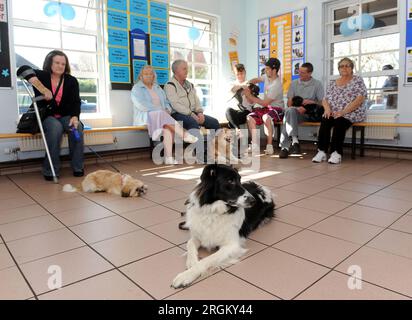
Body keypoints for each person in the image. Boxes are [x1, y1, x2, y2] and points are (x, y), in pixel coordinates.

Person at [18, 50, 84, 180]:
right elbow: (22, 69)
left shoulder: (71, 80)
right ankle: (50, 170)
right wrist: (42, 89)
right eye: (57, 62)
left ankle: (78, 167)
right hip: (46, 115)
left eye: (63, 64)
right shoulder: (41, 75)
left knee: (77, 128)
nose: (60, 66)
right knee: (55, 128)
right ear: (50, 63)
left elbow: (76, 102)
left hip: (66, 115)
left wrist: (75, 117)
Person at [131, 65, 198, 165]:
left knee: (168, 129)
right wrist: (161, 110)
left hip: (162, 117)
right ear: (141, 76)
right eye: (146, 74)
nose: (149, 76)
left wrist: (167, 109)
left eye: (151, 74)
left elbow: (167, 102)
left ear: (154, 76)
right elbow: (141, 105)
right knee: (162, 115)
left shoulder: (157, 88)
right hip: (145, 117)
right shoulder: (136, 88)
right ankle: (184, 134)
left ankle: (168, 158)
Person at [312, 57, 367, 164]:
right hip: (334, 112)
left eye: (347, 66)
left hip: (351, 113)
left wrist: (343, 112)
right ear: (338, 69)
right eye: (342, 66)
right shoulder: (332, 83)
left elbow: (360, 99)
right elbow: (325, 99)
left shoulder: (357, 80)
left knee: (339, 121)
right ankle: (321, 151)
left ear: (352, 68)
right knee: (325, 119)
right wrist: (327, 110)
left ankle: (336, 153)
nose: (344, 68)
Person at [279, 62, 324, 158]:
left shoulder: (317, 84)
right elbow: (289, 104)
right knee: (290, 111)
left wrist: (311, 102)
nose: (299, 74)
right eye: (299, 72)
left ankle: (285, 147)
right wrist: (296, 107)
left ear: (310, 73)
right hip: (295, 112)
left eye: (302, 72)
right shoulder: (294, 84)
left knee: (287, 117)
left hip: (310, 113)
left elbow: (322, 102)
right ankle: (294, 141)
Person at [164, 60, 220, 132]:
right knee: (192, 122)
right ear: (176, 70)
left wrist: (200, 113)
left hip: (193, 113)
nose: (187, 71)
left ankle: (214, 143)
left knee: (214, 122)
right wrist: (191, 114)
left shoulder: (190, 85)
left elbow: (196, 100)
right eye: (184, 69)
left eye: (187, 68)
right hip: (178, 114)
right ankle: (194, 143)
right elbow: (175, 105)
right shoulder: (170, 85)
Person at [245, 57, 284, 155]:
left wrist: (249, 95)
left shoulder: (277, 84)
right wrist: (248, 85)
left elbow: (265, 103)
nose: (265, 70)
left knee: (266, 117)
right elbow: (256, 79)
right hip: (267, 108)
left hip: (277, 109)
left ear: (274, 70)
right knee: (250, 117)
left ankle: (269, 146)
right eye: (265, 68)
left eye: (267, 69)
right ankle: (254, 146)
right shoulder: (267, 76)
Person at [226, 63, 252, 129]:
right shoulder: (232, 84)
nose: (240, 76)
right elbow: (232, 90)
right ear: (235, 74)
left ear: (245, 73)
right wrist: (242, 85)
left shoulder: (250, 85)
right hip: (235, 111)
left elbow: (252, 102)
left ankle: (236, 129)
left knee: (231, 123)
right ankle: (238, 129)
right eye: (238, 74)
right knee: (228, 111)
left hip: (246, 111)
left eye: (242, 73)